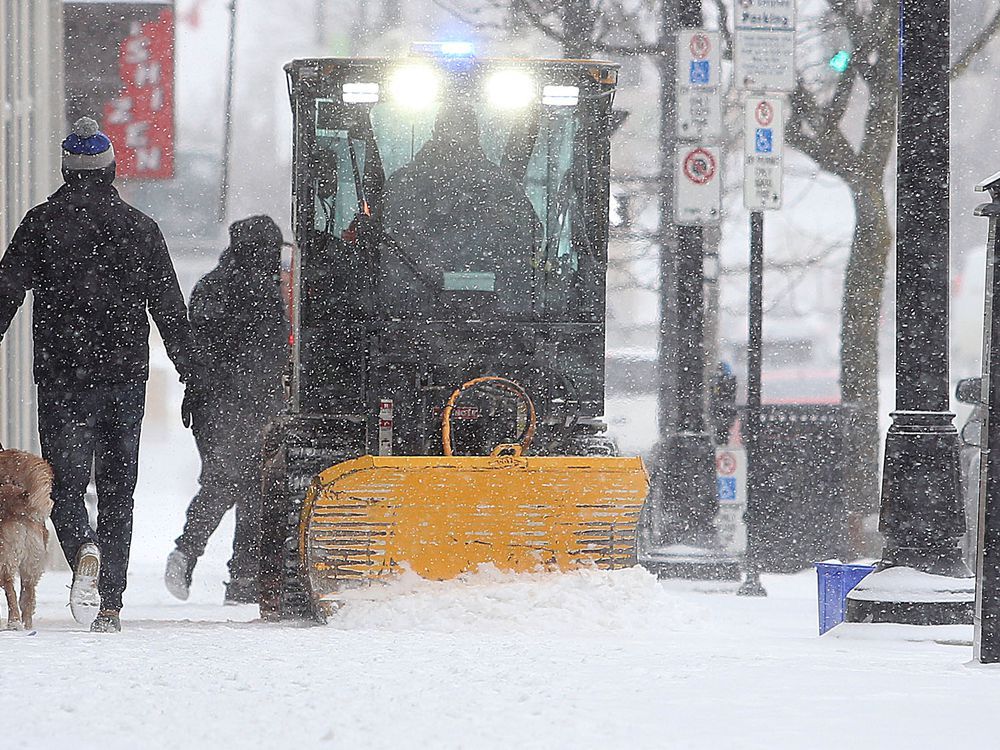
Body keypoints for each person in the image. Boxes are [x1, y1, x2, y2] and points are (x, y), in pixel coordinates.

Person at [0, 117, 201, 633]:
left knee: (64, 487)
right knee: (118, 487)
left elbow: (5, 293)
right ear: (111, 170)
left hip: (63, 378)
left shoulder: (40, 225)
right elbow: (170, 311)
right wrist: (192, 374)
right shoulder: (140, 229)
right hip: (123, 379)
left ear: (66, 172)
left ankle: (83, 546)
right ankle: (109, 602)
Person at [164, 216, 288, 604]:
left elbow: (197, 346)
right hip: (242, 402)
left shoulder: (212, 286)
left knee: (228, 481)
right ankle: (234, 574)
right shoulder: (265, 292)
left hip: (212, 404)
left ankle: (201, 559)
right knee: (242, 484)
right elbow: (270, 353)